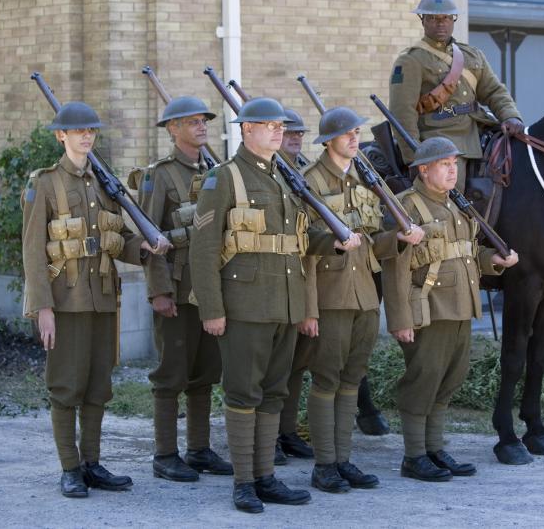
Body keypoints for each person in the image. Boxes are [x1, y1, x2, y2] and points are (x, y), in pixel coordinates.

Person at [189, 97, 361, 514]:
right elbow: (204, 249)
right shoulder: (223, 179)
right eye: (267, 125)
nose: (277, 131)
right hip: (245, 304)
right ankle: (244, 482)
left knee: (273, 393)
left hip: (286, 303)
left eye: (280, 125)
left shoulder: (285, 178)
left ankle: (266, 476)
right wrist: (211, 308)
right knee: (243, 392)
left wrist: (332, 243)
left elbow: (295, 243)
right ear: (246, 130)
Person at [22, 101, 170, 498]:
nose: (87, 136)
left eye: (91, 130)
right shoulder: (46, 183)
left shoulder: (106, 186)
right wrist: (43, 309)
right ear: (61, 135)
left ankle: (91, 463)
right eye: (79, 130)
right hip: (65, 301)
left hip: (104, 298)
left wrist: (145, 248)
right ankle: (70, 468)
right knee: (66, 386)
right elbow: (33, 252)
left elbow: (115, 240)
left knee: (97, 386)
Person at [300, 106, 425, 494]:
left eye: (357, 133)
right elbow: (301, 249)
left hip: (365, 297)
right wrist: (307, 309)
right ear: (328, 141)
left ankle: (343, 460)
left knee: (352, 377)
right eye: (347, 134)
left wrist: (399, 239)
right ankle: (324, 465)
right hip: (329, 295)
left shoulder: (366, 180)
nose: (355, 139)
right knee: (327, 378)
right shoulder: (310, 182)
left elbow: (373, 240)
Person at [381, 137, 518, 481]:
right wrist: (399, 319)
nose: (452, 170)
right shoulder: (406, 207)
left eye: (454, 164)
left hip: (460, 306)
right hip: (427, 307)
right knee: (423, 379)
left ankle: (434, 449)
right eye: (444, 164)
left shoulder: (457, 206)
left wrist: (495, 261)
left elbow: (466, 253)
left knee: (449, 378)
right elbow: (394, 267)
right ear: (424, 170)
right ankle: (414, 455)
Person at [137, 96, 232, 482]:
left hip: (211, 289)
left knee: (205, 371)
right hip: (177, 288)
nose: (201, 126)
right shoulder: (159, 175)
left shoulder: (217, 170)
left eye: (204, 121)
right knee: (171, 373)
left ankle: (198, 449)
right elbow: (148, 235)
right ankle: (164, 454)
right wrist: (158, 291)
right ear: (172, 129)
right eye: (192, 122)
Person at [388, 0, 524, 190]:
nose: (441, 23)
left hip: (476, 129)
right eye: (434, 18)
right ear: (423, 20)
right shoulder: (410, 60)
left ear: (453, 20)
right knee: (450, 186)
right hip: (438, 136)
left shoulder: (472, 55)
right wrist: (416, 158)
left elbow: (494, 91)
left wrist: (511, 116)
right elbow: (402, 113)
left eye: (446, 18)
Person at [275, 107, 316, 465]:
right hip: (275, 277)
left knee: (297, 363)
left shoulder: (305, 173)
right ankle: (265, 436)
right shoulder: (266, 173)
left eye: (300, 133)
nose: (295, 137)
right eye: (289, 132)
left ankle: (286, 431)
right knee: (271, 366)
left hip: (306, 276)